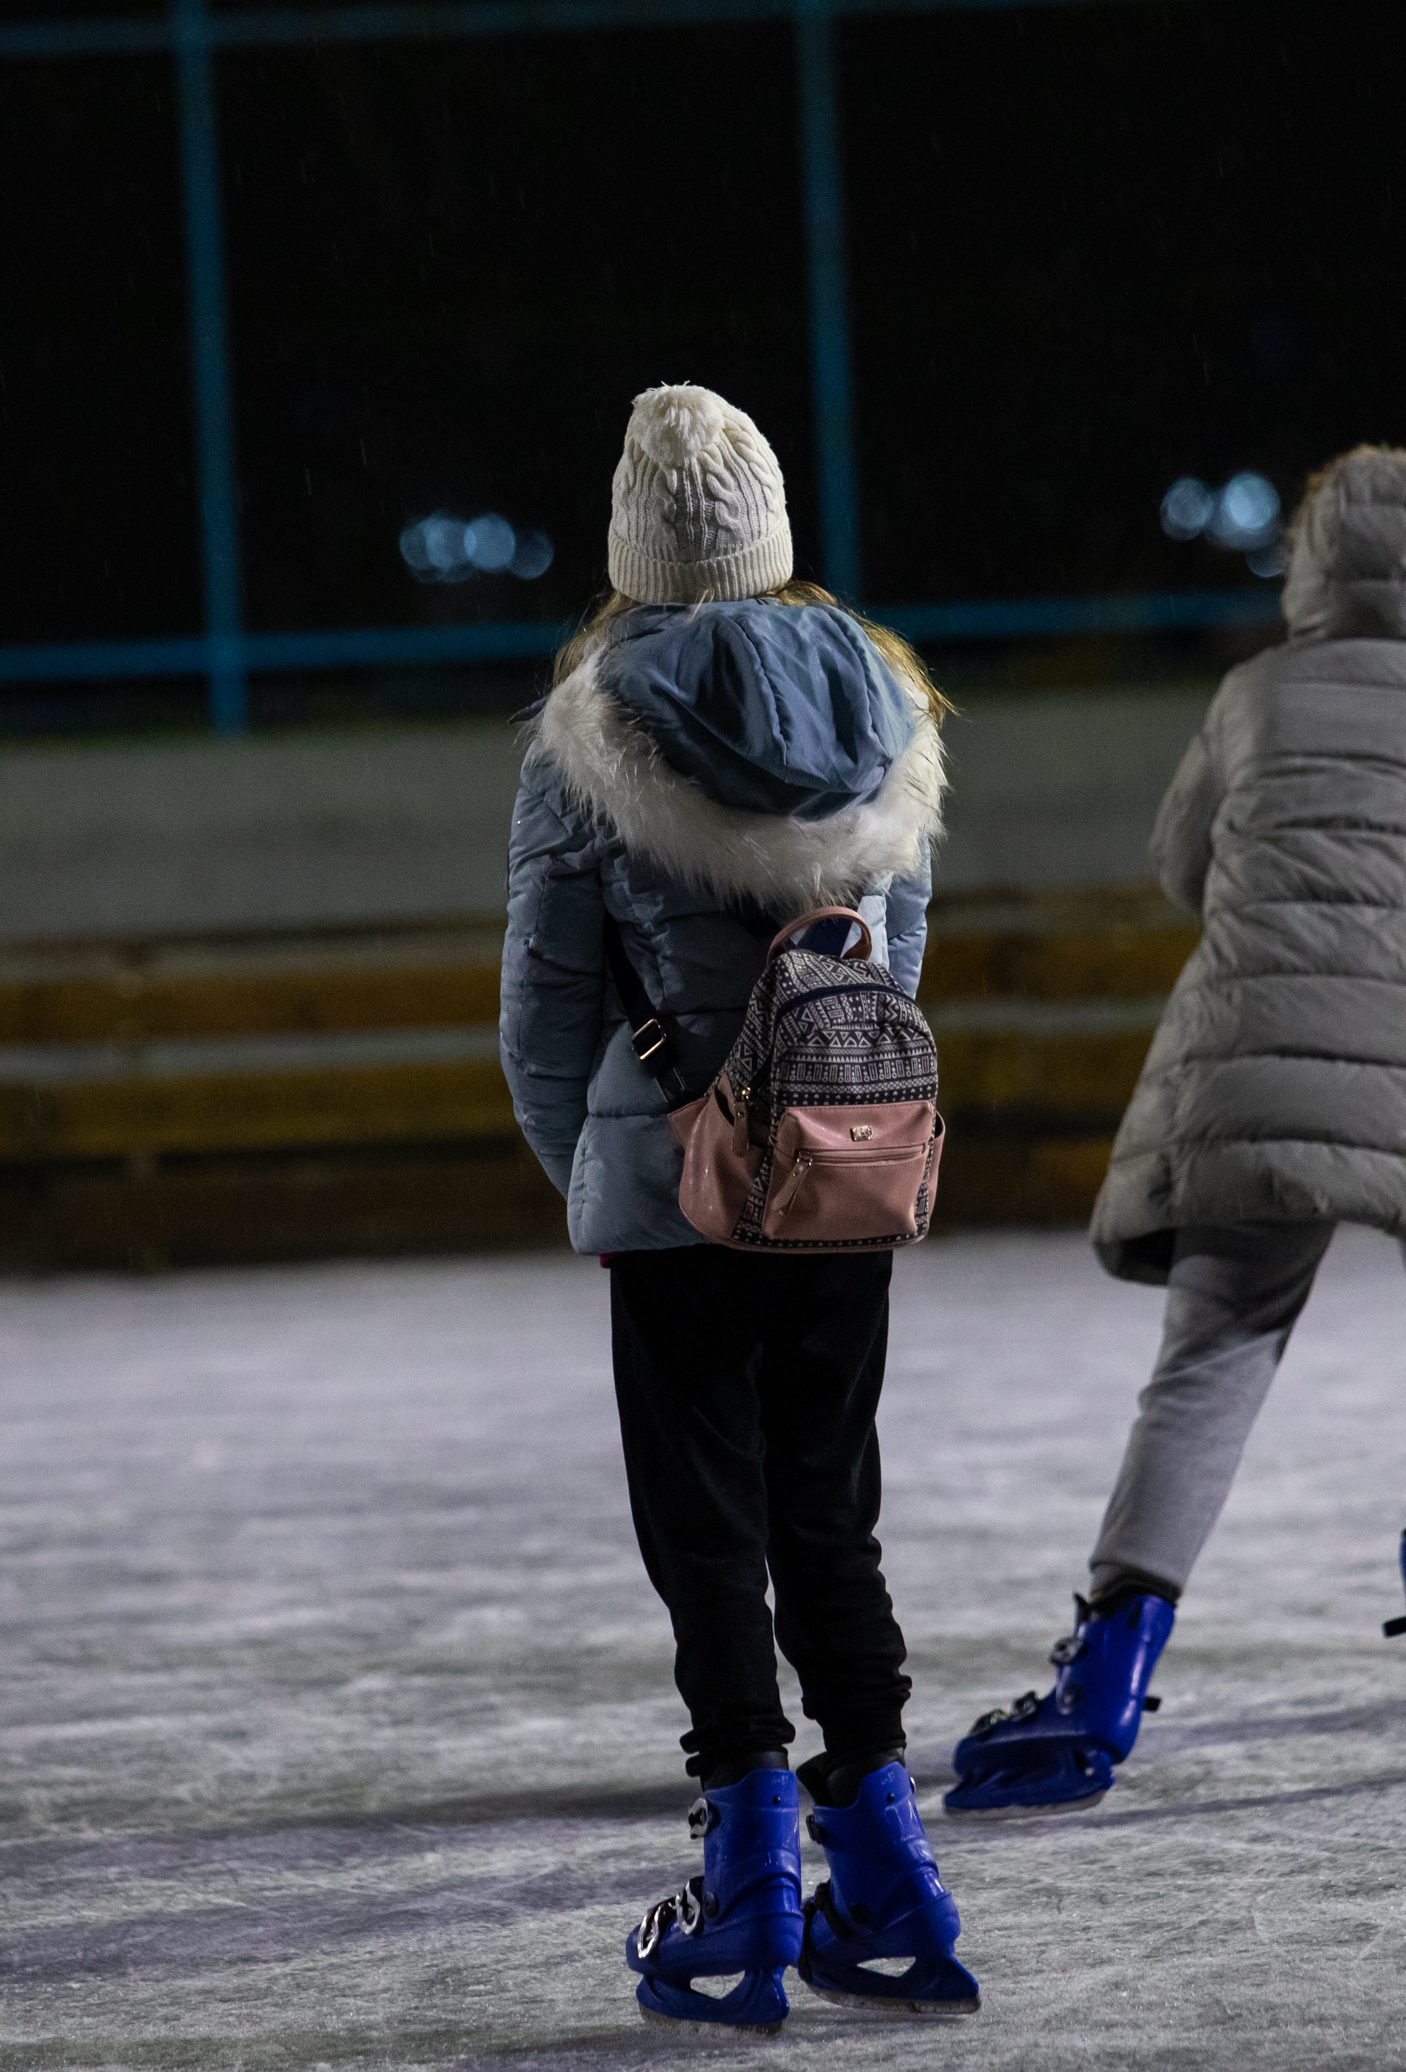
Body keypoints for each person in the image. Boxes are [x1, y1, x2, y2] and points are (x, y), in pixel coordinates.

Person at [944, 445, 1406, 1815]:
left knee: (1212, 1353)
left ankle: (1103, 1677)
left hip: (1254, 1066)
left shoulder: (1251, 696)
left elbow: (1179, 866)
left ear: (1312, 564)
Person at [500, 384, 976, 2026]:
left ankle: (752, 1878)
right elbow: (891, 963)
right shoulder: (878, 698)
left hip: (674, 1197)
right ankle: (890, 1865)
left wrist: (603, 1173)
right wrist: (835, 1121)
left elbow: (546, 1006)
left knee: (707, 1532)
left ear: (631, 546)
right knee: (828, 1513)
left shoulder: (586, 729)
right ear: (770, 531)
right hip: (840, 1175)